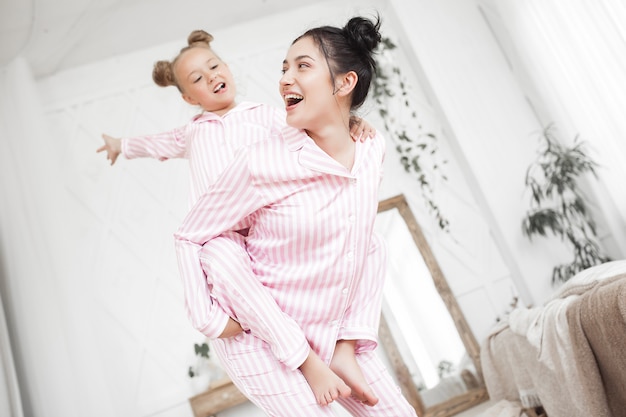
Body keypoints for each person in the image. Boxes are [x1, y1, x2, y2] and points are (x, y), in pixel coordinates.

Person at [96, 30, 380, 405]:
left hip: (263, 228)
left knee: (370, 243)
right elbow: (156, 144)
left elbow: (315, 123)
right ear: (187, 97)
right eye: (197, 78)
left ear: (227, 68)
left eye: (214, 65)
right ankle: (299, 355)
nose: (210, 76)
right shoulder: (193, 132)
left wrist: (352, 123)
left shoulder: (266, 116)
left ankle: (345, 343)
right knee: (224, 259)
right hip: (221, 232)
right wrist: (122, 146)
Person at [174, 15, 418, 416]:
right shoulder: (264, 161)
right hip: (261, 337)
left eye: (302, 66)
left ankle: (342, 353)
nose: (285, 78)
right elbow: (190, 236)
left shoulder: (372, 150)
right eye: (284, 68)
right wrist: (209, 319)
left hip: (331, 328)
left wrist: (344, 343)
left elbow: (362, 250)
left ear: (344, 83)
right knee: (220, 249)